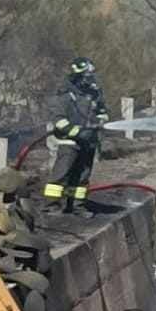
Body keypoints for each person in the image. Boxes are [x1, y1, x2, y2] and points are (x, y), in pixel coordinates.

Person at [44, 57, 109, 217]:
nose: (90, 78)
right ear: (77, 76)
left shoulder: (94, 92)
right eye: (86, 75)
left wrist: (100, 121)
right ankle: (52, 205)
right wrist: (78, 132)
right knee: (61, 174)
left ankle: (77, 206)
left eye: (90, 75)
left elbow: (102, 112)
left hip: (89, 141)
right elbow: (59, 120)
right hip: (69, 141)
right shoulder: (66, 94)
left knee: (82, 177)